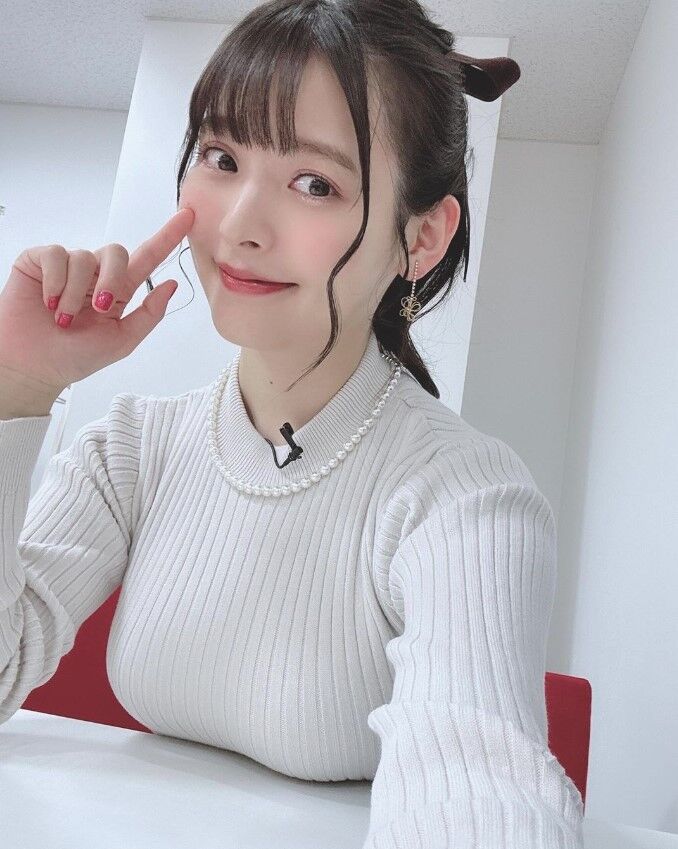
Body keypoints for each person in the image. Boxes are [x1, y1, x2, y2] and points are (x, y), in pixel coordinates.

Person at [0, 1, 584, 846]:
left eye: (316, 183)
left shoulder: (465, 498)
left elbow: (480, 786)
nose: (239, 227)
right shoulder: (130, 449)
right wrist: (18, 388)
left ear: (422, 237)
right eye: (221, 157)